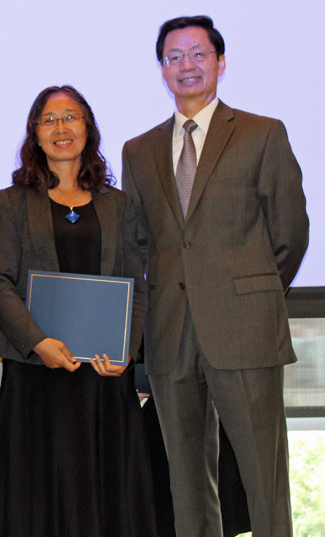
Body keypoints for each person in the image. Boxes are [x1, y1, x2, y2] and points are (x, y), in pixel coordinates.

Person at [121, 15, 309, 537]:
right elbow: (139, 243)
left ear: (220, 62)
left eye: (197, 54)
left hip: (244, 330)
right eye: (174, 57)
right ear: (161, 69)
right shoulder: (138, 150)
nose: (186, 65)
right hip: (168, 335)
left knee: (262, 479)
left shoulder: (261, 133)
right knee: (185, 483)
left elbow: (290, 233)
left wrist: (252, 295)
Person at [0, 85, 159, 537]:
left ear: (88, 128)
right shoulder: (14, 201)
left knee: (103, 492)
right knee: (38, 495)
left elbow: (136, 284)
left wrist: (126, 349)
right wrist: (38, 341)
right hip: (37, 373)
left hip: (102, 376)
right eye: (49, 119)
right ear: (35, 134)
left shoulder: (118, 205)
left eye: (71, 117)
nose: (61, 128)